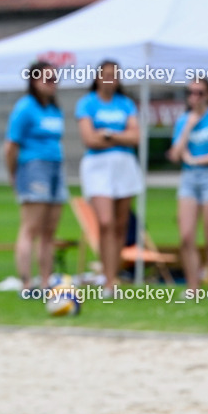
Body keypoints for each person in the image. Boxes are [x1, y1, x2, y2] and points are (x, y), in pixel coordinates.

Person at [76, 60, 142, 294]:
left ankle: (113, 277)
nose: (110, 80)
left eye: (114, 76)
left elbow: (135, 137)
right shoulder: (88, 103)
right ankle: (107, 275)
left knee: (121, 224)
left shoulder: (125, 104)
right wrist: (119, 136)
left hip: (124, 166)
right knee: (106, 222)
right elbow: (89, 139)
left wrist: (108, 135)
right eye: (106, 75)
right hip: (98, 167)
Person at [3, 61, 66, 291]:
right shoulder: (25, 107)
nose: (52, 84)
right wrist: (14, 175)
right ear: (34, 81)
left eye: (54, 79)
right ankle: (26, 282)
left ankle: (46, 280)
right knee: (31, 227)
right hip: (33, 168)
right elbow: (10, 146)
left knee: (50, 230)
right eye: (47, 79)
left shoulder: (53, 108)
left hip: (55, 167)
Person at [167, 77, 208, 292]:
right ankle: (192, 287)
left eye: (200, 93)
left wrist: (196, 160)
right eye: (191, 92)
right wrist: (189, 126)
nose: (195, 97)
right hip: (189, 179)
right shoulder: (184, 119)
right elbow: (176, 154)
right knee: (186, 236)